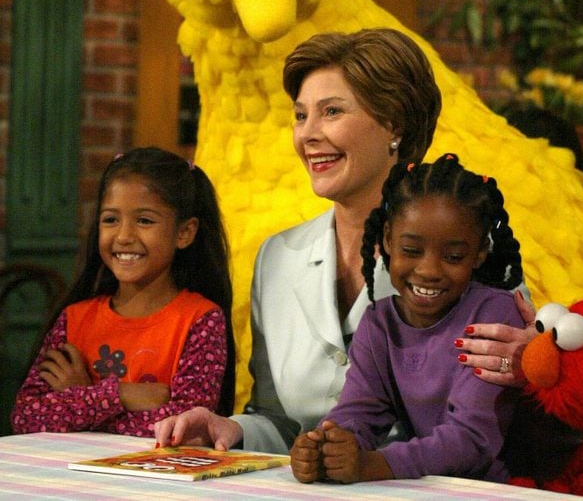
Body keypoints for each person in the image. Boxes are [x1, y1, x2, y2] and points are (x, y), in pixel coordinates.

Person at [155, 28, 534, 452]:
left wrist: (537, 366)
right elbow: (279, 420)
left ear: (395, 123)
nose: (307, 135)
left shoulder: (473, 251)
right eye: (301, 116)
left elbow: (502, 417)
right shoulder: (277, 257)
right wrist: (232, 430)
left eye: (331, 112)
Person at [290, 153, 525, 483]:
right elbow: (361, 410)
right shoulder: (379, 322)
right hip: (426, 487)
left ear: (479, 253)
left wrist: (374, 465)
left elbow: (472, 439)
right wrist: (327, 444)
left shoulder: (494, 315)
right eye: (412, 251)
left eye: (454, 256)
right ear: (387, 240)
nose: (429, 270)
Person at [11, 147, 235, 437]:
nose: (124, 236)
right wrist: (120, 394)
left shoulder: (200, 319)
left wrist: (83, 397)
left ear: (184, 233)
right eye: (110, 219)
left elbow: (185, 428)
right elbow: (27, 417)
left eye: (144, 220)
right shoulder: (75, 318)